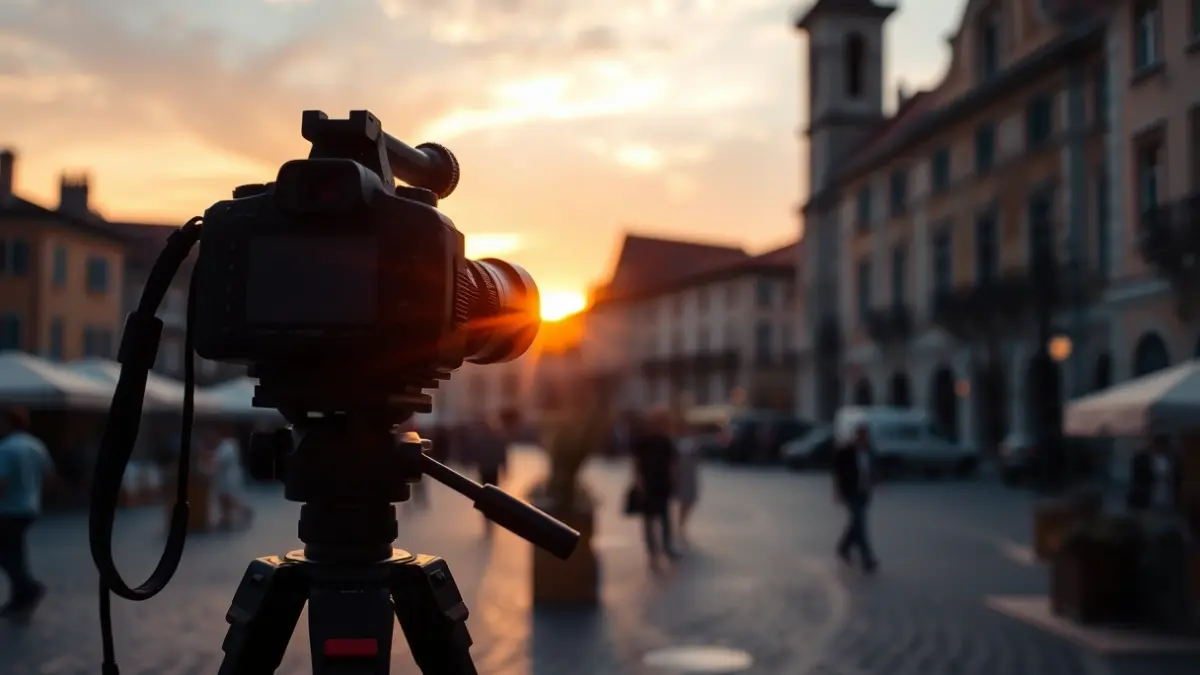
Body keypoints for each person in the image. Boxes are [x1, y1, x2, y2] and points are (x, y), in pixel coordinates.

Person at [0, 407, 53, 618]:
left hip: (8, 509)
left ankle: (29, 588)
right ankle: (18, 599)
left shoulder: (7, 448)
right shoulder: (36, 445)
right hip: (29, 507)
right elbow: (49, 476)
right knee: (15, 552)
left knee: (6, 554)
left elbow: (1, 482)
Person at [631, 408, 679, 568]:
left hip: (658, 483)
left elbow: (672, 464)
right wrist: (639, 481)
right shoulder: (646, 441)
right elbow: (637, 464)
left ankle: (659, 548)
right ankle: (657, 549)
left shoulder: (663, 441)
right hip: (653, 483)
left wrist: (639, 481)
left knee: (657, 518)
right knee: (654, 518)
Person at [832, 424, 878, 573]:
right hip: (851, 492)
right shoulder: (847, 452)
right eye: (861, 436)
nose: (864, 439)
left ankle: (843, 547)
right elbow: (837, 472)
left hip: (864, 492)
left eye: (866, 436)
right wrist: (837, 491)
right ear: (856, 436)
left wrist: (876, 483)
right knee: (860, 523)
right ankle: (867, 558)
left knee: (855, 523)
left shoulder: (869, 451)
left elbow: (873, 469)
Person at [210, 429, 254, 530]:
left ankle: (243, 511)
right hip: (222, 478)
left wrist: (212, 463)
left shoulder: (228, 445)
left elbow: (221, 460)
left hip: (229, 477)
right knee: (223, 500)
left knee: (229, 499)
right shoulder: (219, 447)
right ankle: (226, 519)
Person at [473, 417, 509, 535]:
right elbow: (502, 455)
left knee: (485, 493)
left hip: (486, 469)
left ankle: (487, 515)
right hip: (492, 470)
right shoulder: (497, 440)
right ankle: (490, 514)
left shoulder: (482, 440)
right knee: (493, 493)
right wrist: (505, 468)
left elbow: (476, 455)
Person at [1128, 434, 1180, 514]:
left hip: (1167, 496)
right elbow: (1138, 478)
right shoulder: (1142, 459)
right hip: (1147, 497)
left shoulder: (1170, 458)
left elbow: (1175, 477)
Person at [674, 427, 701, 548]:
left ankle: (681, 524)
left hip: (690, 474)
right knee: (684, 502)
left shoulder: (694, 443)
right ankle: (680, 526)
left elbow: (698, 459)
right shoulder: (678, 443)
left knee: (689, 500)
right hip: (683, 474)